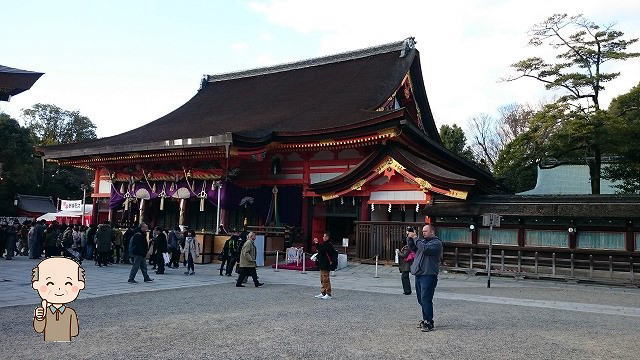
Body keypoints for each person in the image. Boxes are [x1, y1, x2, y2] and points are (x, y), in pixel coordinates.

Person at [32, 257, 85, 342]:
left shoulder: (70, 312)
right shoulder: (46, 311)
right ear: (37, 284)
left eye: (68, 283)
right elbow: (74, 332)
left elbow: (74, 332)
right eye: (50, 283)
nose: (59, 288)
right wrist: (39, 318)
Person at [407, 224, 443, 332]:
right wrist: (409, 237)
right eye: (422, 231)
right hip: (420, 274)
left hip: (429, 275)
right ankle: (425, 318)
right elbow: (413, 248)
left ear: (432, 232)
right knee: (420, 298)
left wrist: (415, 237)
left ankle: (429, 322)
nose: (423, 233)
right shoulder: (422, 242)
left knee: (426, 299)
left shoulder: (436, 243)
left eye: (425, 231)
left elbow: (425, 249)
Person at [313, 232, 338, 299]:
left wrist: (316, 243)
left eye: (324, 236)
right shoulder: (325, 244)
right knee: (322, 279)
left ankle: (328, 293)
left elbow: (321, 249)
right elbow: (321, 251)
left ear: (327, 237)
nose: (323, 237)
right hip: (322, 264)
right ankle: (323, 292)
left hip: (326, 264)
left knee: (326, 279)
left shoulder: (329, 245)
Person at [398, 227, 416, 295]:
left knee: (404, 278)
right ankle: (407, 290)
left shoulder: (407, 247)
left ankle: (407, 291)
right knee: (405, 277)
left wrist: (398, 252)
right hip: (407, 264)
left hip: (406, 265)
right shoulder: (408, 246)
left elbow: (404, 255)